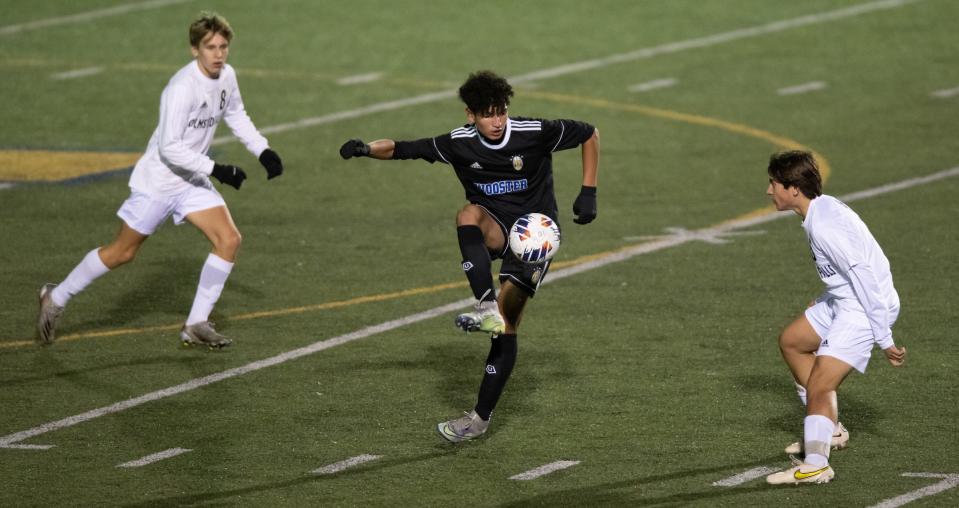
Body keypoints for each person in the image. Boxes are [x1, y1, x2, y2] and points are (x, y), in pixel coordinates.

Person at [339, 70, 600, 442]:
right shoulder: (459, 144)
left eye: (501, 112)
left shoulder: (533, 132)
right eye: (487, 114)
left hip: (534, 235)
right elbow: (404, 148)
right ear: (470, 115)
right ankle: (484, 305)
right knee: (467, 214)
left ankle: (479, 419)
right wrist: (366, 148)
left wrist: (588, 191)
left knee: (507, 328)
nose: (496, 122)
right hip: (494, 225)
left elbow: (589, 133)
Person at [36, 12, 283, 349]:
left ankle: (196, 323)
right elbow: (169, 148)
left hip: (191, 179)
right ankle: (56, 296)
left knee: (228, 239)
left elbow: (236, 113)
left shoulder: (227, 76)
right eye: (210, 47)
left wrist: (263, 151)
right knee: (122, 252)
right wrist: (218, 169)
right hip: (160, 181)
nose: (219, 54)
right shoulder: (181, 88)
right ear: (194, 49)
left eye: (223, 46)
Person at [763, 151, 906, 485]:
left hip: (863, 308)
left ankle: (816, 464)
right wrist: (828, 294)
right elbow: (847, 271)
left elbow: (865, 277)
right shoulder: (820, 209)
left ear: (793, 188)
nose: (769, 191)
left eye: (773, 184)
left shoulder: (825, 226)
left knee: (820, 384)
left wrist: (883, 338)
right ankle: (831, 429)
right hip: (844, 299)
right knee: (793, 342)